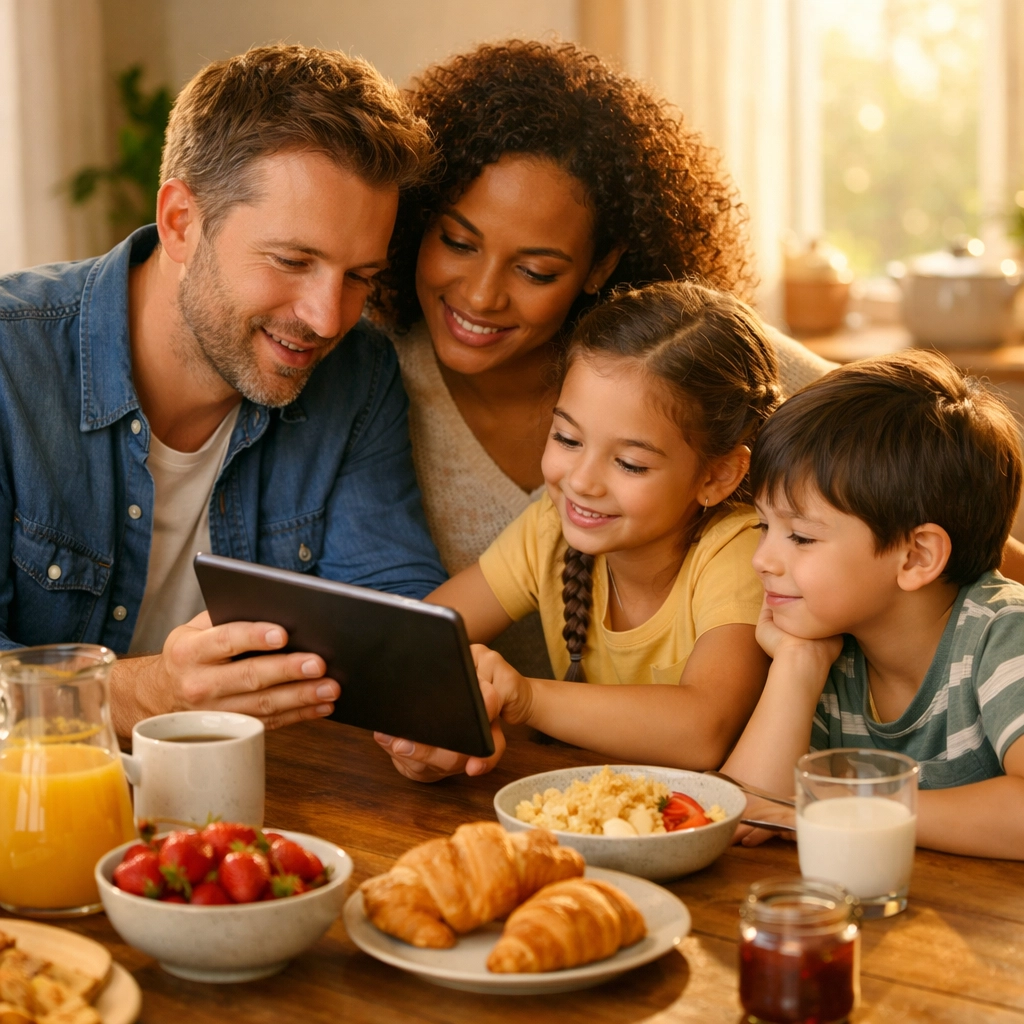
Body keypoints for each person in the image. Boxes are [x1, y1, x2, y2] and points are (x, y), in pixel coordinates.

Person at [0, 44, 445, 737]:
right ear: (182, 222)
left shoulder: (359, 374)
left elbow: (393, 614)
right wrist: (144, 694)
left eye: (359, 275)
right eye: (293, 261)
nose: (327, 318)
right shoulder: (10, 359)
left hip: (258, 815)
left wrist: (420, 719)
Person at [368, 40, 835, 682]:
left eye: (535, 270)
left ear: (602, 266)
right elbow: (405, 639)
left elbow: (941, 484)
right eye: (457, 242)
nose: (480, 295)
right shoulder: (370, 379)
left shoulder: (683, 361)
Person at [383, 280, 782, 779]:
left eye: (631, 463)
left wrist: (525, 698)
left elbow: (704, 731)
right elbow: (404, 643)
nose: (582, 481)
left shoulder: (742, 551)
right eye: (568, 438)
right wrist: (430, 739)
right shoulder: (548, 531)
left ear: (716, 475)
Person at [722, 351, 1024, 859]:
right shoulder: (830, 644)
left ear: (915, 556)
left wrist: (839, 805)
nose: (762, 560)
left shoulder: (1003, 633)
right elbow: (750, 811)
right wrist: (798, 664)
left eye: (799, 536)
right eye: (763, 526)